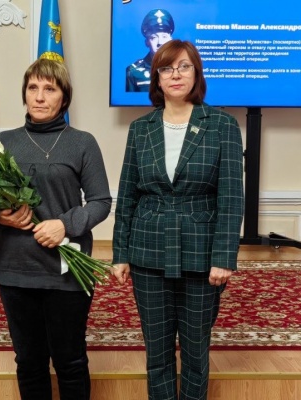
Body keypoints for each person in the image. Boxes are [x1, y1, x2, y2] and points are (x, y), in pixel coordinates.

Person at [112, 39, 244, 399]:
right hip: (148, 252)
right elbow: (127, 194)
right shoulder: (141, 128)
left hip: (202, 255)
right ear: (156, 77)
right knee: (156, 354)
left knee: (196, 352)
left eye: (184, 66)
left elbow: (231, 197)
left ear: (196, 74)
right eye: (167, 68)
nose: (176, 74)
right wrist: (120, 253)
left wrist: (224, 257)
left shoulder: (222, 125)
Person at [0, 58, 112, 399]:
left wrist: (64, 225)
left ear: (64, 98)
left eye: (49, 89)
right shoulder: (4, 143)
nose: (40, 97)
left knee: (70, 361)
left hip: (66, 269)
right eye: (33, 88)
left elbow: (101, 201)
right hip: (16, 269)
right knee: (29, 362)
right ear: (24, 94)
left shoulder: (82, 142)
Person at [126, 8, 174, 92]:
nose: (160, 42)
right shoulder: (133, 72)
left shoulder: (183, 69)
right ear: (147, 42)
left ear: (171, 40)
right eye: (154, 37)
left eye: (164, 36)